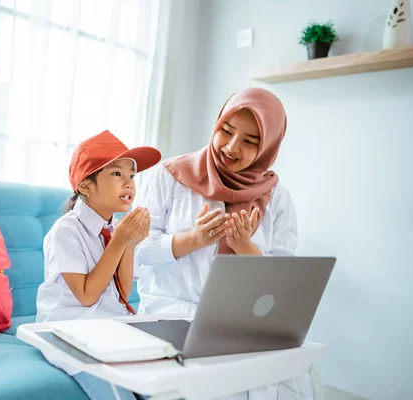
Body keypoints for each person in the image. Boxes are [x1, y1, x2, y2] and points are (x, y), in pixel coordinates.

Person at [132, 87, 307, 399]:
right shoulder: (169, 176)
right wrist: (193, 239)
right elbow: (136, 252)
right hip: (172, 312)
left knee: (286, 379)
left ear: (268, 146)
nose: (231, 146)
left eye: (250, 141)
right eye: (226, 131)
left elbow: (282, 284)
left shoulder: (277, 198)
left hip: (242, 322)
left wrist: (246, 249)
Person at [35, 129, 161, 399]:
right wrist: (119, 242)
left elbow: (124, 294)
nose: (128, 183)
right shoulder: (66, 231)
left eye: (132, 175)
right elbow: (86, 295)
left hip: (108, 330)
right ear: (85, 186)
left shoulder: (115, 229)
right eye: (117, 174)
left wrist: (129, 244)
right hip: (71, 333)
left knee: (163, 388)